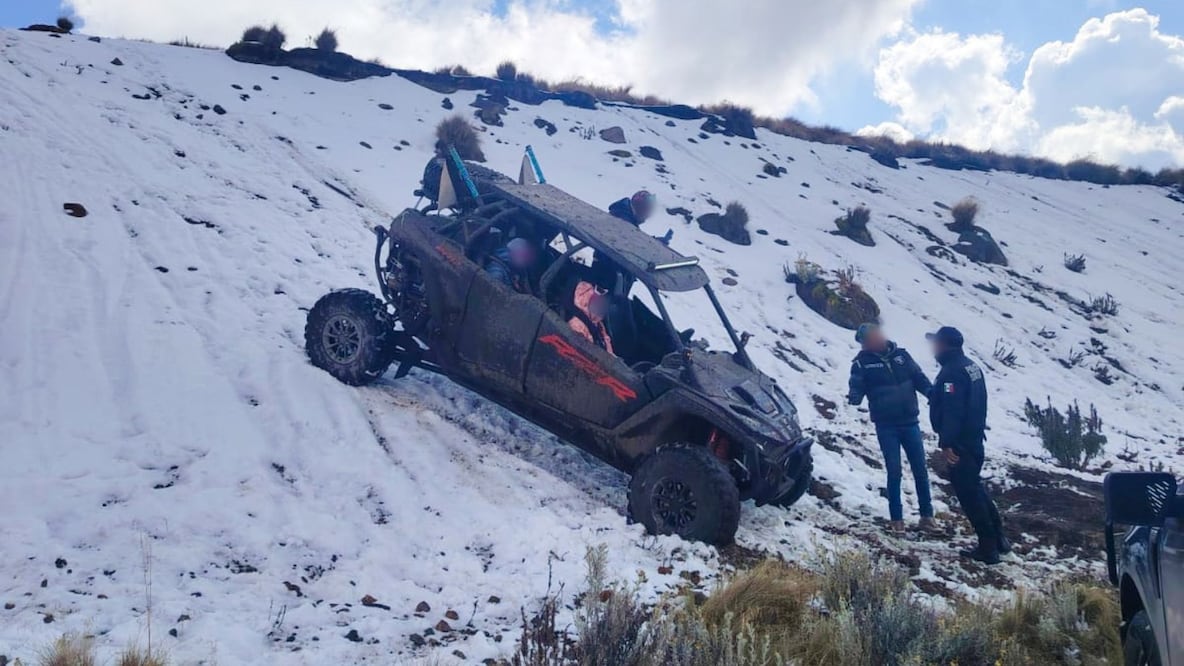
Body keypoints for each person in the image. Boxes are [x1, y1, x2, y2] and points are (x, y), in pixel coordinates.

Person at [927, 326, 1009, 565]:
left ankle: (988, 548)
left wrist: (947, 443)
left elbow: (953, 411)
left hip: (962, 444)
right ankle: (998, 539)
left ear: (943, 345)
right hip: (974, 440)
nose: (933, 348)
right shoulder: (971, 366)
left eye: (936, 343)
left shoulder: (951, 373)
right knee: (977, 490)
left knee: (970, 496)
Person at [847, 323, 935, 533]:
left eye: (874, 336)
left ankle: (927, 517)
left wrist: (932, 393)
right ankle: (897, 519)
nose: (873, 341)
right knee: (894, 471)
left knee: (920, 469)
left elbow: (919, 378)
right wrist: (854, 396)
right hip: (886, 426)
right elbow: (855, 386)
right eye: (867, 340)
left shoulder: (902, 356)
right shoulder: (861, 364)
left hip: (910, 422)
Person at [568, 281, 614, 355]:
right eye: (599, 291)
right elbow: (581, 357)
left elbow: (609, 353)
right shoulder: (577, 325)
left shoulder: (599, 325)